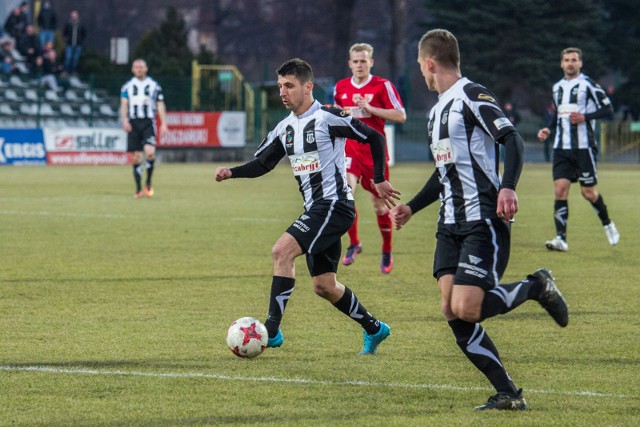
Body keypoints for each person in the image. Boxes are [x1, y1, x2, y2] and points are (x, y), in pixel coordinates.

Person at [390, 29, 569, 411]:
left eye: (421, 66)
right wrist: (411, 207)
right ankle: (508, 393)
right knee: (450, 308)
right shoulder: (437, 110)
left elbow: (512, 139)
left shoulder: (472, 95)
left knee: (468, 307)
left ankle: (536, 286)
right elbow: (444, 173)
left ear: (429, 63)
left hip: (482, 218)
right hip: (448, 225)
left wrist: (508, 186)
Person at [215, 58, 400, 355]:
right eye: (279, 86)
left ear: (308, 87)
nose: (282, 92)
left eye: (289, 86)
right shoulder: (284, 128)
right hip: (316, 209)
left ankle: (271, 333)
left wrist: (378, 179)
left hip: (335, 206)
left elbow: (374, 136)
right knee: (325, 285)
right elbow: (263, 163)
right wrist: (232, 172)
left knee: (281, 251)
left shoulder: (327, 117)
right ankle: (375, 328)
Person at [333, 43, 406, 274]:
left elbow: (400, 116)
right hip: (350, 151)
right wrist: (335, 112)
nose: (359, 65)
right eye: (355, 61)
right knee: (345, 193)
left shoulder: (383, 86)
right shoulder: (341, 87)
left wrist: (371, 108)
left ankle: (387, 249)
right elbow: (338, 113)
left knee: (379, 206)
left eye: (363, 61)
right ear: (349, 63)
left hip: (374, 154)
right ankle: (354, 243)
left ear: (371, 62)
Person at [537, 47, 619, 252]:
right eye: (566, 60)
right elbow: (557, 113)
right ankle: (561, 239)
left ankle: (608, 223)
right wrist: (549, 128)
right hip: (561, 148)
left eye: (574, 60)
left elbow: (608, 108)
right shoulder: (557, 87)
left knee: (588, 193)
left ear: (580, 63)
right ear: (561, 63)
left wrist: (585, 117)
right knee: (560, 189)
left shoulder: (588, 85)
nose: (570, 63)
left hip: (583, 148)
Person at [120, 59, 168, 198]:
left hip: (148, 122)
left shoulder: (154, 85)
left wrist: (164, 123)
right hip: (133, 123)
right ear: (132, 69)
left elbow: (160, 104)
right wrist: (124, 120)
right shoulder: (127, 87)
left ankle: (148, 182)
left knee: (150, 152)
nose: (139, 69)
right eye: (136, 67)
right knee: (136, 157)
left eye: (141, 67)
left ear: (146, 68)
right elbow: (124, 105)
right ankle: (138, 189)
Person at [62, 10, 86, 74]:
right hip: (69, 44)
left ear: (77, 16)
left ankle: (73, 71)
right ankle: (65, 71)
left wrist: (80, 41)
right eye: (73, 16)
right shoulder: (68, 24)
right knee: (68, 58)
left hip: (78, 45)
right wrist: (66, 40)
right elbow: (64, 33)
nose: (74, 17)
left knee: (75, 59)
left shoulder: (81, 25)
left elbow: (84, 34)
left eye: (75, 16)